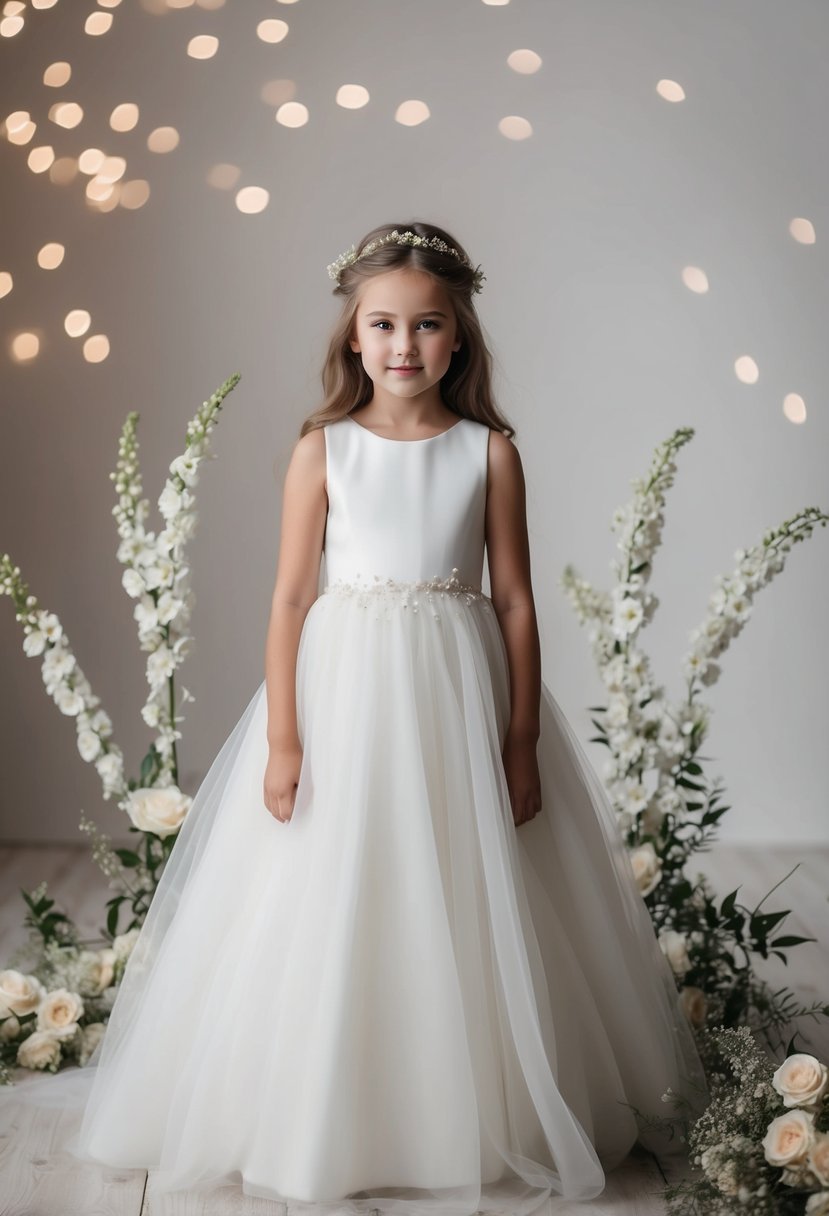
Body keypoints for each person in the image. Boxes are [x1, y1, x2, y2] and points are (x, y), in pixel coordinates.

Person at [0, 222, 708, 1215]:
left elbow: (513, 603)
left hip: (457, 696)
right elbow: (290, 599)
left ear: (458, 337)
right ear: (352, 335)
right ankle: (320, 1103)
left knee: (459, 884)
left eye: (426, 326)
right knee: (334, 876)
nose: (403, 346)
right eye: (383, 325)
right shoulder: (321, 450)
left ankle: (464, 1102)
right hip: (344, 692)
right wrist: (285, 737)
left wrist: (515, 739)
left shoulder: (489, 454)